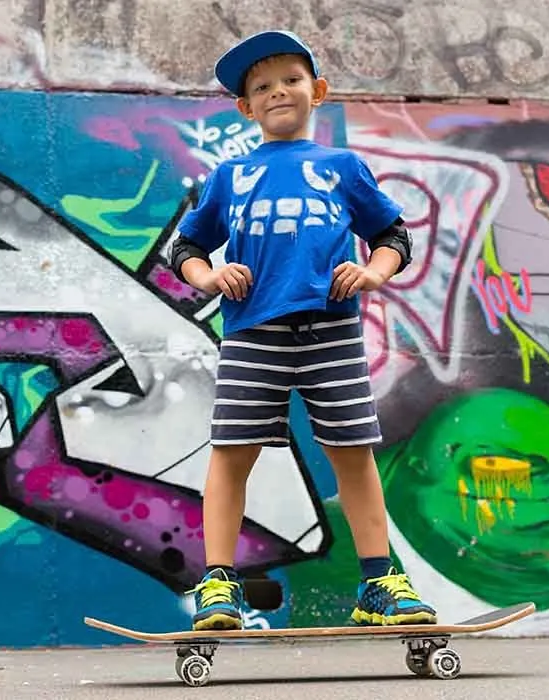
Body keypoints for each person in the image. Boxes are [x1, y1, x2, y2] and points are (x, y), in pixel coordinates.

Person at [169, 30, 438, 630]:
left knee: (353, 456)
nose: (277, 92)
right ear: (245, 107)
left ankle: (379, 584)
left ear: (318, 91)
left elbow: (395, 235)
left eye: (290, 80)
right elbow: (186, 245)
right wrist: (207, 275)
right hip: (251, 335)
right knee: (231, 456)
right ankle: (219, 585)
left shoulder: (343, 167)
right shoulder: (230, 175)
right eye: (260, 87)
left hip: (332, 333)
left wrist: (373, 271)